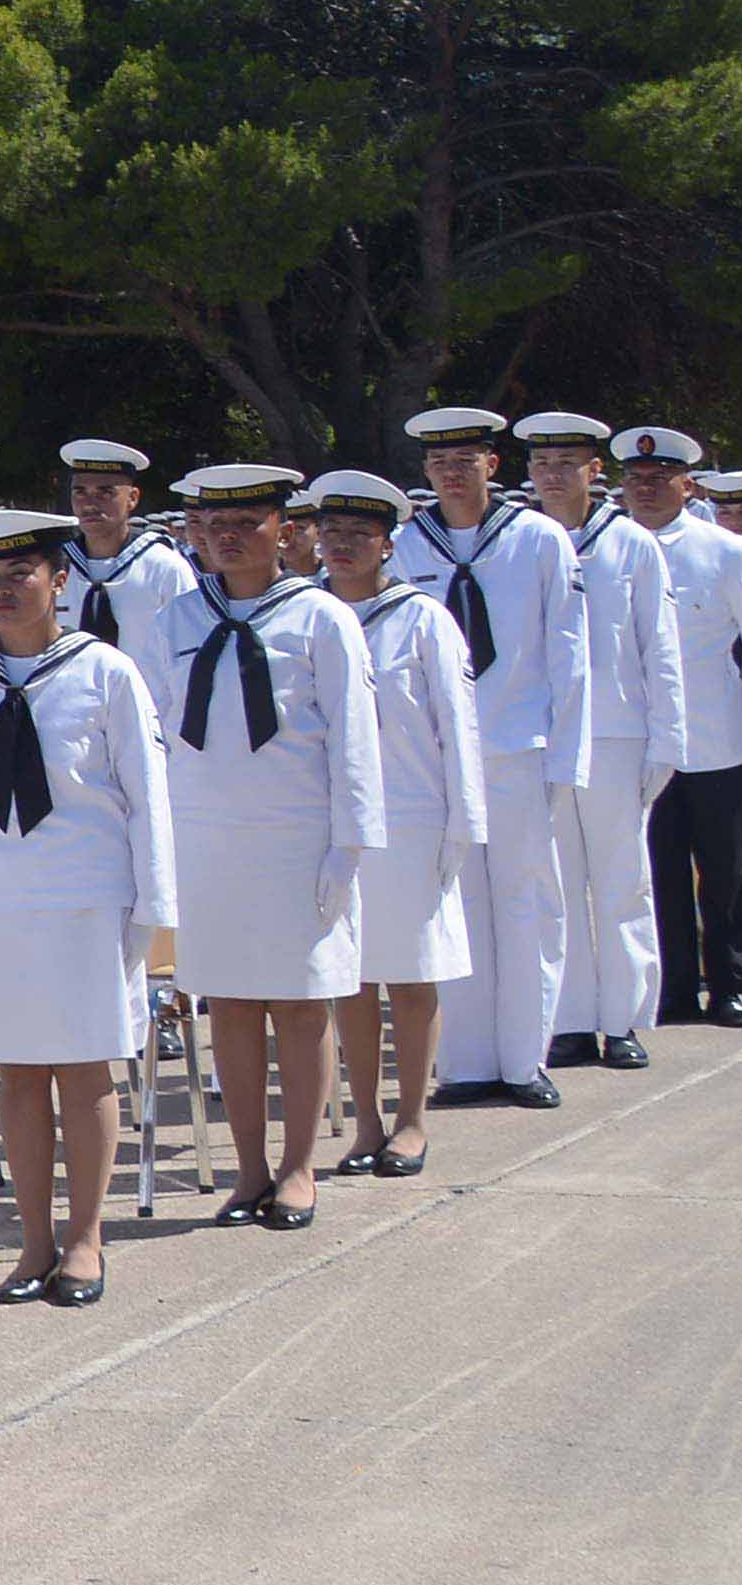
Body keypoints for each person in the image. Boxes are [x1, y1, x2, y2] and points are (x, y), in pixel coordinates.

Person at [0, 511, 173, 1307]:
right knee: (15, 1075)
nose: (4, 591)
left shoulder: (104, 670)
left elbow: (148, 794)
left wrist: (155, 905)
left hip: (83, 896)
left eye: (22, 575)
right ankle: (33, 1240)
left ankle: (85, 1237)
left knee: (83, 1068)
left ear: (60, 580)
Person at [154, 466, 383, 1229]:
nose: (228, 535)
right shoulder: (180, 618)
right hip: (207, 840)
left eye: (246, 521)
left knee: (301, 1003)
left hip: (296, 838)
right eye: (215, 522)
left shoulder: (320, 617)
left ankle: (297, 1167)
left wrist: (349, 847)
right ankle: (247, 1167)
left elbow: (355, 741)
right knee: (232, 1007)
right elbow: (159, 734)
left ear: (284, 532)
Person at [393, 408, 582, 1107]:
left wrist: (567, 756)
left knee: (527, 902)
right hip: (438, 758)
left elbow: (569, 652)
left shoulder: (536, 537)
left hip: (518, 747)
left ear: (491, 466)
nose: (451, 472)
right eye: (440, 462)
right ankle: (468, 1060)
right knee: (453, 907)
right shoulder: (409, 543)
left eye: (465, 459)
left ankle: (525, 1057)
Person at [306, 471, 485, 1178]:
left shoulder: (422, 618)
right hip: (332, 820)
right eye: (332, 533)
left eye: (360, 535)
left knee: (411, 977)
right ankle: (366, 1121)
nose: (343, 546)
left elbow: (457, 726)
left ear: (388, 543)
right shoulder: (312, 614)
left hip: (411, 816)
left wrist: (463, 823)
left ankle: (411, 1119)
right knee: (348, 977)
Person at [530, 412, 681, 1074]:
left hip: (618, 731)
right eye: (542, 463)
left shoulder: (630, 543)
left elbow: (660, 646)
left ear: (596, 472)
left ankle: (621, 1018)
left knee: (621, 881)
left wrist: (667, 739)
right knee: (555, 885)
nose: (553, 475)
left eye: (568, 463)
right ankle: (568, 1021)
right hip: (543, 735)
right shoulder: (523, 541)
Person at [644, 450, 742, 1034]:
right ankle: (674, 988)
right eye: (636, 479)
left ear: (686, 485)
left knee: (723, 870)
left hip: (716, 737)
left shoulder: (723, 552)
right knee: (659, 872)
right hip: (645, 740)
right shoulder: (617, 548)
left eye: (659, 480)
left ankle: (728, 984)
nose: (646, 489)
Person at [52, 440, 198, 649]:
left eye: (105, 492)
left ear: (132, 498)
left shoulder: (163, 568)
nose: (90, 504)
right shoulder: (55, 568)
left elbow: (190, 648)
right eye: (80, 492)